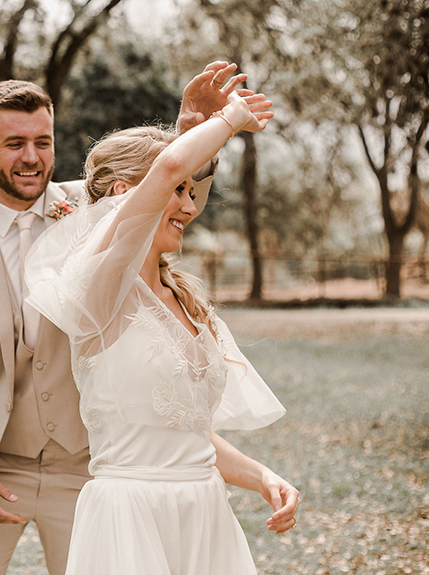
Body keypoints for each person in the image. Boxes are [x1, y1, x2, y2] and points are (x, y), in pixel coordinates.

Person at [0, 62, 293, 575]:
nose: (32, 157)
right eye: (15, 143)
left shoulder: (92, 208)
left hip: (85, 465)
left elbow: (164, 184)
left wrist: (188, 134)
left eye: (43, 142)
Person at [24, 88, 300, 574]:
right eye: (178, 192)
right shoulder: (98, 291)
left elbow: (185, 433)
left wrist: (260, 476)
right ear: (121, 195)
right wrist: (230, 119)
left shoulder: (187, 300)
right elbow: (169, 167)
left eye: (193, 193)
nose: (190, 207)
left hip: (204, 514)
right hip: (130, 519)